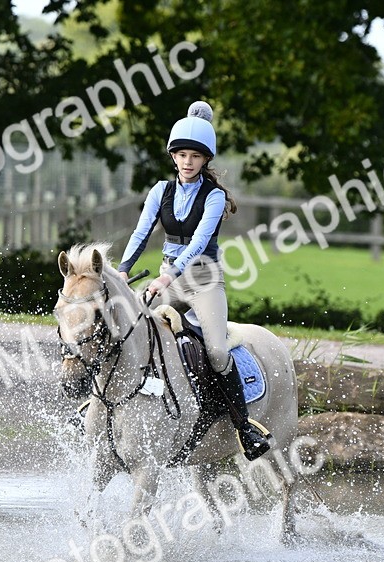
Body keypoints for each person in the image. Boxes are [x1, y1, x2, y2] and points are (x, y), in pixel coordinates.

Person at [116, 100, 272, 461]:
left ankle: (243, 427)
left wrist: (167, 276)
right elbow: (141, 233)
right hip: (168, 280)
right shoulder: (159, 191)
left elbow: (200, 242)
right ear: (174, 157)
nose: (187, 161)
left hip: (203, 282)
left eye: (195, 156)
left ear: (205, 160)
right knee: (125, 326)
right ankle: (98, 408)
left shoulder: (214, 197)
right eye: (181, 154)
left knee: (217, 352)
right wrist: (124, 269)